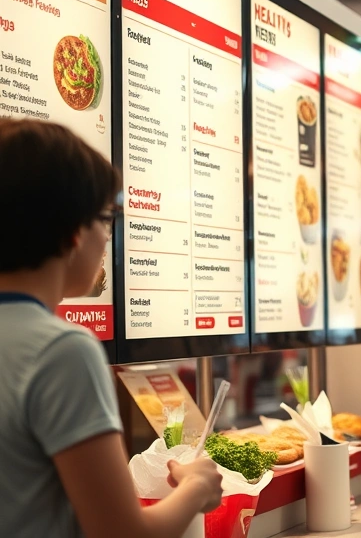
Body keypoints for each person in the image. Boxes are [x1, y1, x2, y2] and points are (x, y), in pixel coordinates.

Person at [0, 119, 223, 538]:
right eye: (105, 218)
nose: (107, 238)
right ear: (72, 233)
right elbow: (122, 532)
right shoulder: (61, 351)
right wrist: (195, 487)